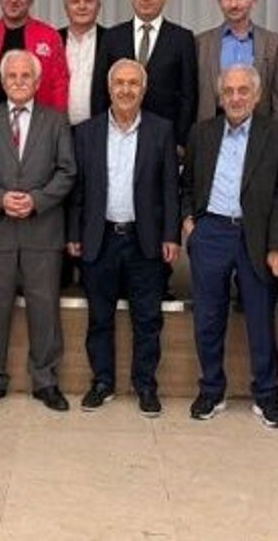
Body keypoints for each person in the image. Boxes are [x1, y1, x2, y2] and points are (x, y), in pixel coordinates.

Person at [181, 65, 278, 425]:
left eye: (243, 90)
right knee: (208, 318)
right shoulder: (202, 133)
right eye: (229, 91)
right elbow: (187, 185)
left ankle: (267, 396)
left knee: (261, 319)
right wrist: (190, 221)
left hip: (256, 234)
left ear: (257, 95)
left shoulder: (277, 135)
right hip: (211, 233)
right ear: (220, 96)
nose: (235, 98)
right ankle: (211, 390)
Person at [67, 59, 179, 417]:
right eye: (119, 83)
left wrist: (171, 235)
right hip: (100, 237)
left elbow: (170, 188)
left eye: (133, 83)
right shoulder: (86, 132)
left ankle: (145, 385)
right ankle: (102, 382)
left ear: (143, 90)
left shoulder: (161, 130)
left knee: (147, 318)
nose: (126, 90)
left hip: (143, 239)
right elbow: (78, 190)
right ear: (109, 87)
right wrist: (74, 233)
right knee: (99, 317)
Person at [0, 50, 76, 412]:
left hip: (42, 230)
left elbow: (67, 171)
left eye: (25, 76)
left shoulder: (56, 121)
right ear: (2, 81)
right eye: (12, 76)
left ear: (37, 81)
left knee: (44, 309)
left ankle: (45, 381)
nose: (18, 82)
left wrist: (37, 200)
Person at [101, 0, 198, 151]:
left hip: (165, 137)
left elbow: (188, 95)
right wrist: (100, 134)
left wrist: (180, 140)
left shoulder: (182, 38)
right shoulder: (112, 37)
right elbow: (100, 91)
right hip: (117, 134)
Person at [195, 0, 278, 120]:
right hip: (211, 125)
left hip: (258, 126)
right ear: (219, 2)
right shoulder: (201, 43)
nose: (234, 4)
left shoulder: (273, 43)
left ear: (254, 0)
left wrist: (277, 130)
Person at [58, 0, 109, 126]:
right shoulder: (53, 40)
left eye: (88, 1)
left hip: (100, 128)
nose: (82, 6)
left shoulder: (112, 40)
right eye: (75, 1)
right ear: (66, 7)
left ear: (98, 6)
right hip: (59, 129)